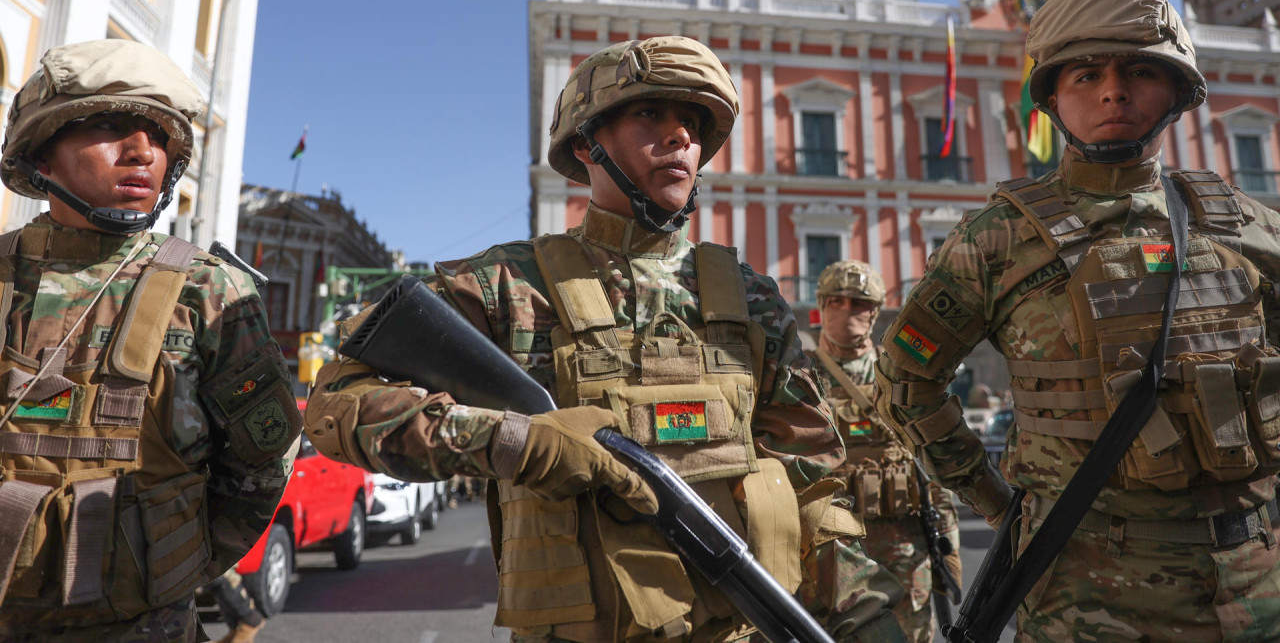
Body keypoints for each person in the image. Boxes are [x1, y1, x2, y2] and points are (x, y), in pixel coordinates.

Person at [306, 35, 905, 642]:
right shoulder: (509, 285)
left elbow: (810, 485)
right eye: (650, 114)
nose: (679, 138)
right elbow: (336, 404)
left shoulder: (750, 300)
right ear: (585, 143)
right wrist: (516, 442)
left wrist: (868, 610)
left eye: (692, 123)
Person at [874, 0, 1280, 641]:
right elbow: (905, 380)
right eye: (1087, 73)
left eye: (1140, 71)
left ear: (1176, 90)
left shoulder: (1255, 232)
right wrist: (995, 502)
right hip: (1082, 599)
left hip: (1257, 590)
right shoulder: (996, 241)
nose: (1113, 91)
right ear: (1053, 99)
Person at [0, 40, 301, 642]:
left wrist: (168, 570)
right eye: (111, 126)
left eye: (159, 137)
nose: (142, 151)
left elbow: (261, 464)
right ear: (42, 155)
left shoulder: (207, 292)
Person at [808, 260, 960, 643]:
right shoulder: (799, 374)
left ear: (875, 310)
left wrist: (949, 538)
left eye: (858, 303)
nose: (847, 311)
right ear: (822, 305)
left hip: (903, 546)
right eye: (837, 301)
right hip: (829, 549)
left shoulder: (898, 374)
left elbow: (929, 456)